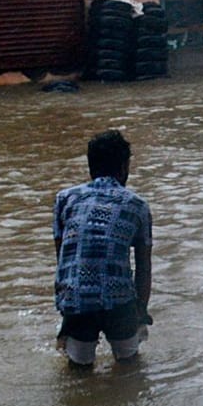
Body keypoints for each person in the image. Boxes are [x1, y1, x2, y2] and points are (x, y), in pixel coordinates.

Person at [52, 130, 154, 368]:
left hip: (76, 299)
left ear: (90, 167)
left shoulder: (65, 199)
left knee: (78, 372)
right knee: (130, 369)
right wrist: (141, 313)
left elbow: (64, 260)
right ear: (123, 168)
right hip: (119, 302)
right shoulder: (137, 205)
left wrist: (67, 305)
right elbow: (144, 268)